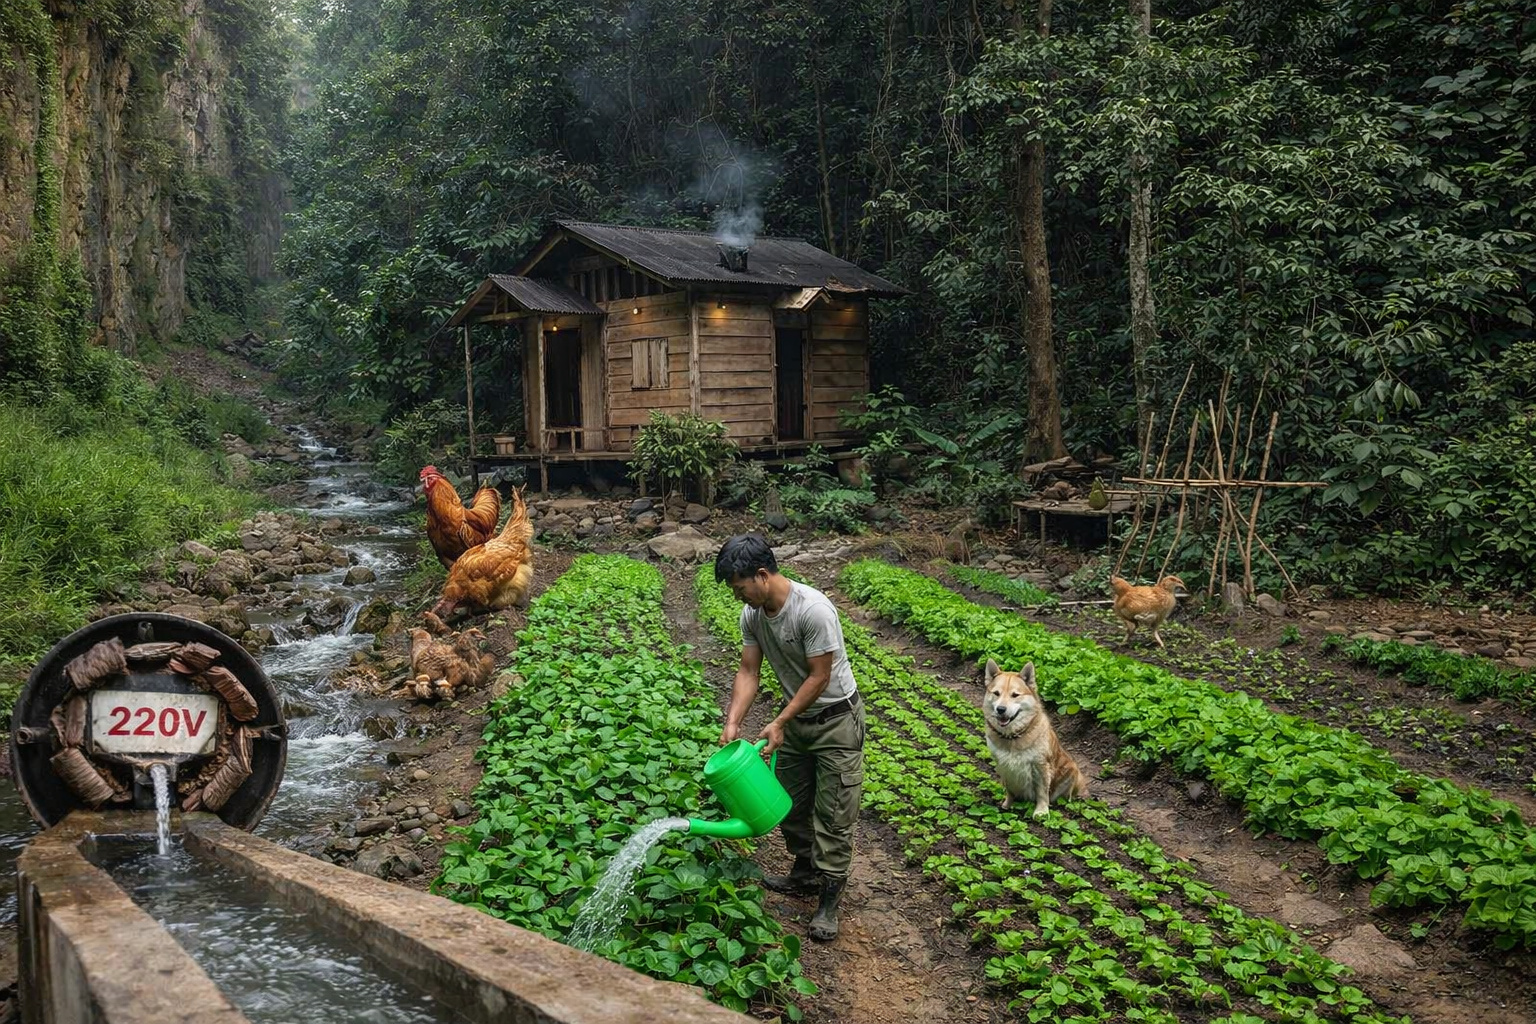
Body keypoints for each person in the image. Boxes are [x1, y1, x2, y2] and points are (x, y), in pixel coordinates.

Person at [715, 533, 865, 942]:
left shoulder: (813, 610)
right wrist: (734, 721)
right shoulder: (754, 615)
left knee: (833, 813)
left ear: (762, 575)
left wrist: (778, 721)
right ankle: (804, 873)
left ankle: (830, 899)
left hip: (835, 720)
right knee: (791, 803)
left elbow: (820, 677)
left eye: (739, 587)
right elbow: (748, 671)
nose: (737, 596)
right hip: (797, 723)